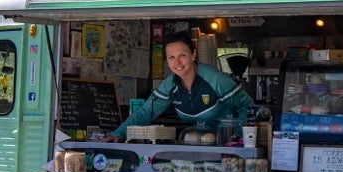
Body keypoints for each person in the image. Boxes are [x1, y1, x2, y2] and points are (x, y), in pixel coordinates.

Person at [104, 30, 255, 142]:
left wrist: (236, 137)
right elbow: (145, 113)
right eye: (171, 57)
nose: (177, 63)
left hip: (227, 145)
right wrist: (118, 134)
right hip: (197, 141)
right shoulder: (170, 84)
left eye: (182, 55)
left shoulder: (215, 80)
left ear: (193, 54)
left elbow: (248, 107)